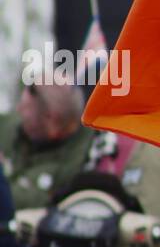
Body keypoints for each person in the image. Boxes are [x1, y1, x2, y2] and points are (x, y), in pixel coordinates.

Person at [0, 83, 97, 211]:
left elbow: (40, 202)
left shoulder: (85, 157)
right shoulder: (7, 127)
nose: (19, 111)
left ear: (52, 120)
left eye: (25, 110)